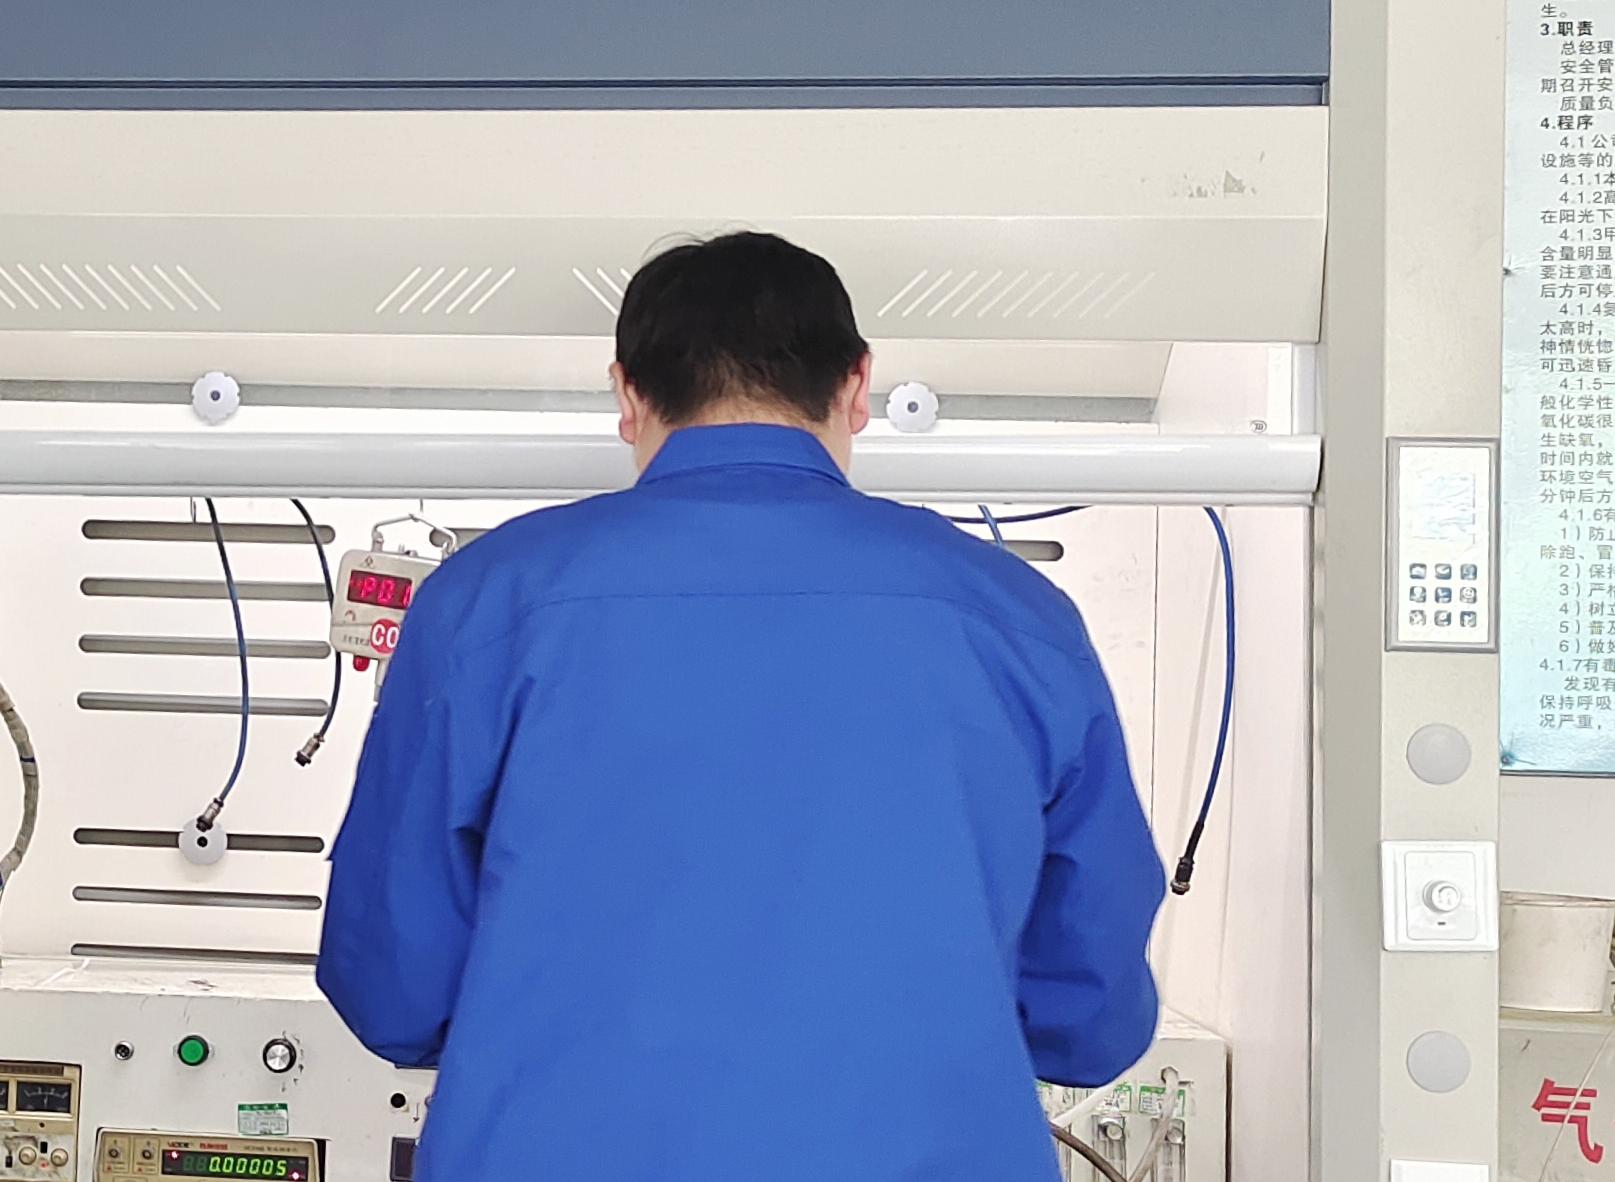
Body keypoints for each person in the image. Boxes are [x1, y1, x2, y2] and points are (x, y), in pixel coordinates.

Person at [319, 231, 1164, 1180]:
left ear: (628, 394)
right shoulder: (1019, 620)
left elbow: (389, 985)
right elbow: (1089, 1014)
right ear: (858, 385)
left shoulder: (487, 603)